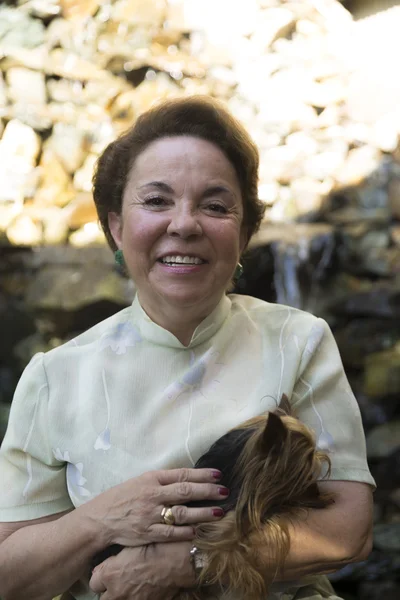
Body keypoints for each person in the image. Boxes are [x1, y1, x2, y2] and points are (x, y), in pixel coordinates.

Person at [0, 96, 375, 600]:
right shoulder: (55, 376)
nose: (184, 224)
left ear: (243, 234)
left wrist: (195, 563)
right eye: (156, 201)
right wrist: (98, 520)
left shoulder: (297, 342)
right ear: (116, 227)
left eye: (215, 205)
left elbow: (349, 531)